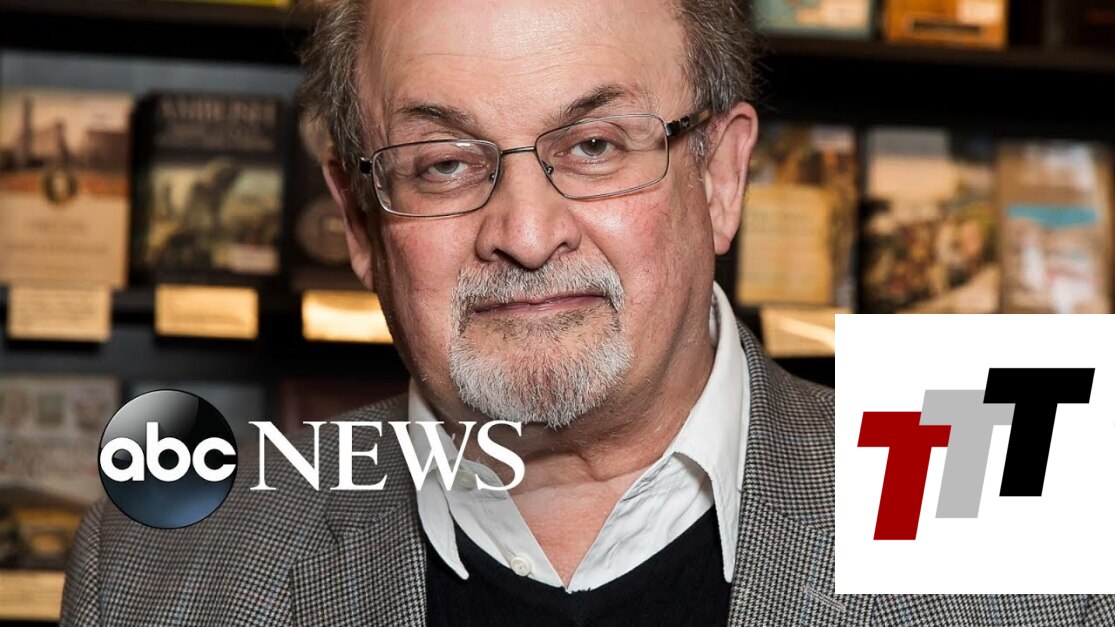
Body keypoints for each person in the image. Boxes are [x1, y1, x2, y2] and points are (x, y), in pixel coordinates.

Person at [61, 0, 1115, 625]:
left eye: (596, 146)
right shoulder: (165, 563)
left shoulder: (1024, 504)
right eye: (443, 163)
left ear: (720, 176)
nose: (525, 232)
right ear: (359, 221)